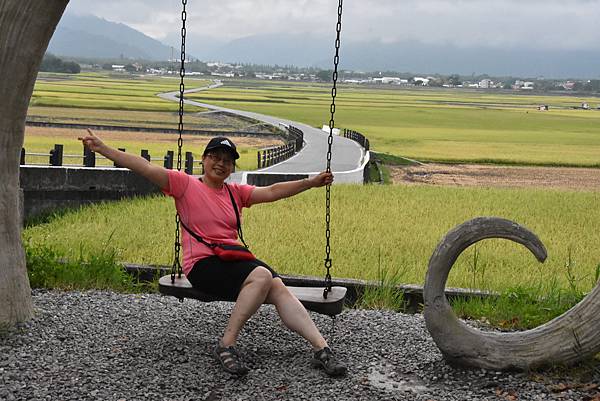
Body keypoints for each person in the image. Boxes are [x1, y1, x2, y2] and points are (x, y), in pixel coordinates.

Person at [79, 129, 347, 377]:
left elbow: (273, 191)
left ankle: (321, 349)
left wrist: (311, 182)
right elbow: (144, 167)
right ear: (204, 160)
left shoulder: (235, 193)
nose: (221, 164)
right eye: (215, 157)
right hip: (202, 265)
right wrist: (104, 149)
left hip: (232, 260)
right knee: (264, 276)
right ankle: (226, 345)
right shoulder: (184, 185)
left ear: (232, 167)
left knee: (277, 287)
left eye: (227, 161)